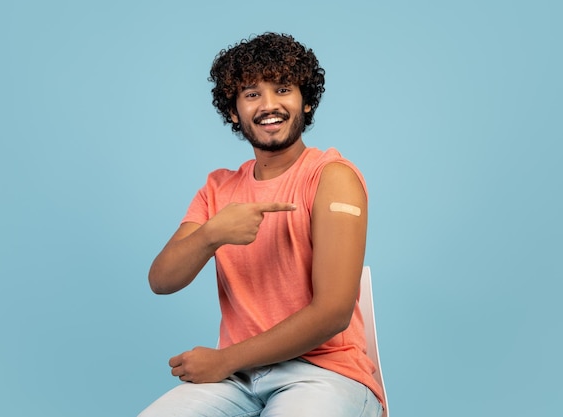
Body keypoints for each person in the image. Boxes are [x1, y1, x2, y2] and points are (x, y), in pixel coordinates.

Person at [138, 32, 384, 417]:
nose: (270, 105)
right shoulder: (218, 189)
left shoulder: (332, 177)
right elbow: (162, 280)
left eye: (283, 89)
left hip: (326, 374)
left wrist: (223, 360)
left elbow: (334, 311)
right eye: (252, 93)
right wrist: (212, 234)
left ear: (305, 102)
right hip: (239, 381)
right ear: (234, 111)